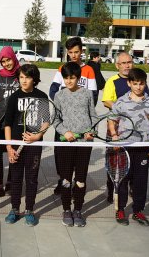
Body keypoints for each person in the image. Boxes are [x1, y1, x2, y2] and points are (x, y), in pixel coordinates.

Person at [110, 68, 149, 226]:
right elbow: (112, 120)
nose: (138, 87)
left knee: (140, 181)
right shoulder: (121, 101)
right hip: (124, 148)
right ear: (129, 83)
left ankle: (138, 210)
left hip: (143, 148)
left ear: (145, 84)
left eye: (141, 84)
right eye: (135, 83)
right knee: (122, 180)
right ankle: (120, 209)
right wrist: (114, 136)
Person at [101, 51, 149, 202]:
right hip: (116, 128)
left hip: (136, 129)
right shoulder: (112, 81)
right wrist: (125, 110)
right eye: (123, 63)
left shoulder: (139, 80)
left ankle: (132, 189)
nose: (127, 65)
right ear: (117, 65)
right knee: (114, 162)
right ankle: (112, 190)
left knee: (134, 163)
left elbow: (148, 100)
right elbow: (106, 101)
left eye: (129, 62)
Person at [48, 37, 98, 196]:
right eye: (70, 52)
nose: (74, 55)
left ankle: (78, 184)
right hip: (64, 122)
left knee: (80, 161)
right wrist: (65, 104)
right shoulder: (62, 68)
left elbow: (94, 95)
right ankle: (63, 180)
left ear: (82, 51)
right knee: (60, 156)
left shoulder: (88, 70)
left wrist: (82, 113)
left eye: (76, 52)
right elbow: (53, 89)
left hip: (82, 123)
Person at [53, 62, 97, 228]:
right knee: (65, 178)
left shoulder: (87, 94)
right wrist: (65, 132)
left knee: (80, 178)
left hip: (84, 144)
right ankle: (66, 209)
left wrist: (92, 131)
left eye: (72, 78)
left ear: (78, 78)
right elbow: (55, 120)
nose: (69, 81)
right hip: (66, 144)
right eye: (66, 78)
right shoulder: (59, 96)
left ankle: (78, 210)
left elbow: (93, 116)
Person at [4, 64, 47, 227]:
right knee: (15, 179)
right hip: (16, 145)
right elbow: (8, 124)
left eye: (27, 77)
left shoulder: (41, 96)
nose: (24, 80)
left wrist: (37, 136)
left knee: (31, 179)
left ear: (34, 79)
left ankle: (29, 210)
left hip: (34, 146)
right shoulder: (14, 97)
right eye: (21, 77)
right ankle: (14, 209)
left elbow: (46, 121)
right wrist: (9, 147)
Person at [0, 46, 20, 197]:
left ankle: (10, 183)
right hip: (0, 123)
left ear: (13, 57)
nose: (7, 63)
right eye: (3, 61)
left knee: (13, 153)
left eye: (9, 60)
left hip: (16, 123)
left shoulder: (21, 73)